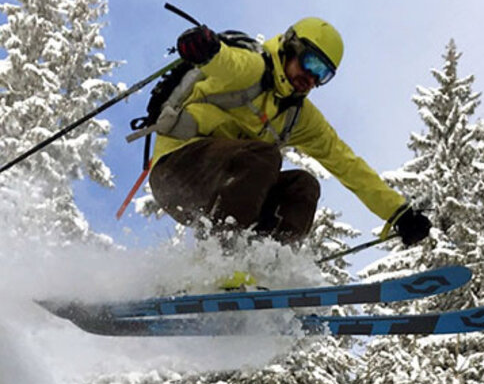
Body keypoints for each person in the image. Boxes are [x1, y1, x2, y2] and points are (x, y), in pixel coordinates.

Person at [147, 17, 432, 250]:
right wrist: (206, 51)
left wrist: (399, 213)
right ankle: (225, 258)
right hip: (177, 174)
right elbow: (228, 62)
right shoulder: (253, 70)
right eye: (311, 63)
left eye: (323, 75)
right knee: (262, 156)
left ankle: (267, 268)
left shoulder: (299, 116)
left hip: (224, 195)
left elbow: (347, 164)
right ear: (289, 47)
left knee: (303, 186)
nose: (312, 78)